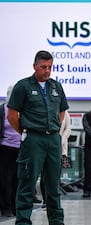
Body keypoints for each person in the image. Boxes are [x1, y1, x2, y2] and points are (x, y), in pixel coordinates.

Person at [7, 50, 68, 225]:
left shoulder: (56, 86)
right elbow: (12, 115)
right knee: (27, 181)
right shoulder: (23, 86)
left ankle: (56, 220)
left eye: (50, 67)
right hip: (33, 139)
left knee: (53, 184)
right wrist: (26, 132)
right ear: (35, 66)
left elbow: (62, 110)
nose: (47, 71)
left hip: (53, 139)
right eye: (43, 67)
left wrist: (53, 127)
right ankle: (23, 221)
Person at [0, 85, 21, 217]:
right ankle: (5, 207)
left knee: (18, 180)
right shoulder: (2, 110)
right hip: (5, 148)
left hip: (21, 149)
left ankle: (16, 207)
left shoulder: (23, 109)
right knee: (5, 180)